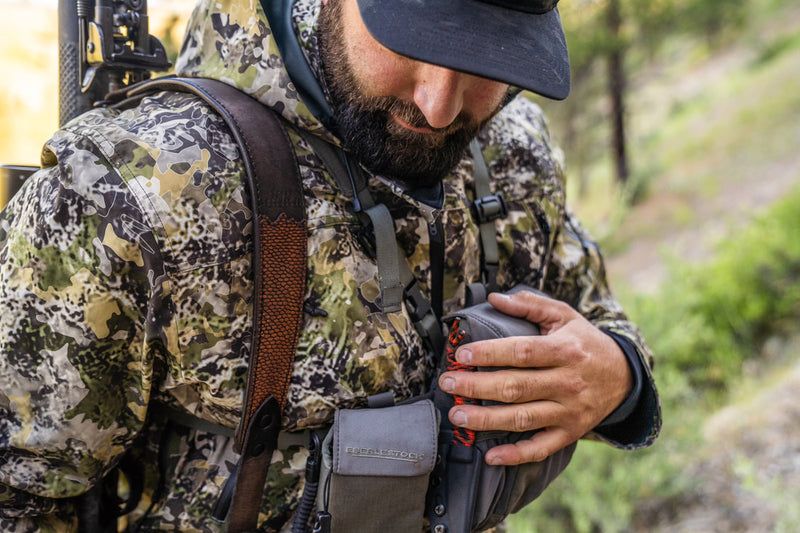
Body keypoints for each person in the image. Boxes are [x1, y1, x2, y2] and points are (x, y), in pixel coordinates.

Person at [0, 0, 661, 531]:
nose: (440, 106)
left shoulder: (513, 149)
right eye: (417, 40)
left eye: (483, 60)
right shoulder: (133, 192)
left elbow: (592, 320)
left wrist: (620, 379)